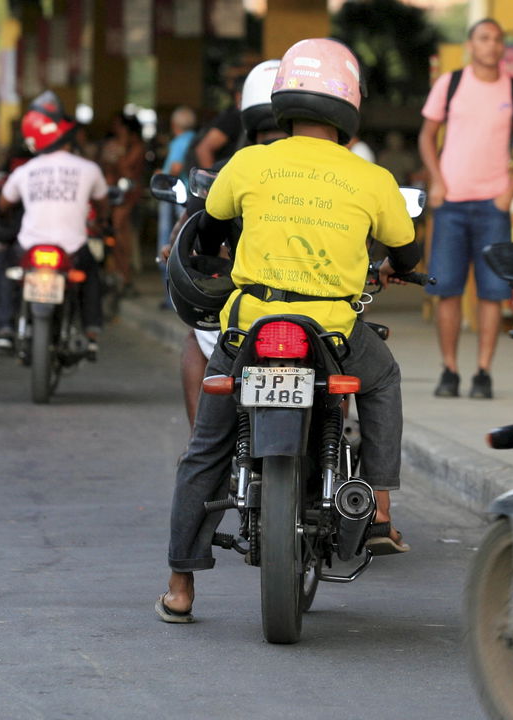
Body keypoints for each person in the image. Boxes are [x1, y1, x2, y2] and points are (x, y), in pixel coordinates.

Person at [157, 38, 423, 624]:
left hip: (251, 327)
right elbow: (408, 254)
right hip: (330, 333)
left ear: (283, 102)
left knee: (206, 448)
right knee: (382, 379)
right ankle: (377, 506)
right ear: (350, 104)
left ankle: (180, 584)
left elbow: (209, 231)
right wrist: (394, 268)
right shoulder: (372, 177)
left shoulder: (247, 163)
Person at [419, 18, 513, 399]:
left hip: (493, 206)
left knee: (492, 292)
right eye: (484, 38)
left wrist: (509, 191)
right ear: (471, 45)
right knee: (447, 289)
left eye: (497, 39)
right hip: (451, 203)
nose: (492, 45)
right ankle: (449, 370)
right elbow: (426, 135)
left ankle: (483, 372)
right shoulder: (450, 84)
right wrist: (437, 181)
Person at [169, 60, 287, 431]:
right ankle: (372, 483)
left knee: (197, 339)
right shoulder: (338, 170)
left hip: (246, 304)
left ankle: (201, 446)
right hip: (322, 308)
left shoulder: (230, 169)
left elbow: (199, 234)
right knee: (372, 372)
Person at [0, 92, 109, 356]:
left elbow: (2, 205)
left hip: (29, 246)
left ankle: (6, 330)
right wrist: (102, 222)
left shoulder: (24, 171)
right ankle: (91, 333)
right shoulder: (89, 169)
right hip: (73, 249)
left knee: (8, 269)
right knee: (90, 276)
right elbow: (103, 204)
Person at [99, 114, 146, 286]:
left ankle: (124, 274)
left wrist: (121, 149)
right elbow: (105, 166)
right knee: (111, 232)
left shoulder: (136, 147)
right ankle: (115, 272)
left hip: (128, 197)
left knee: (120, 232)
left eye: (119, 126)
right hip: (113, 194)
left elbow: (125, 168)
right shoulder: (113, 144)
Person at [156, 107, 197, 305]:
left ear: (174, 125)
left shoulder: (179, 141)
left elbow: (175, 167)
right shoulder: (197, 138)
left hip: (177, 195)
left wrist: (161, 173)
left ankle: (171, 298)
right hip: (194, 194)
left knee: (171, 242)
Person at [193, 78, 245, 169]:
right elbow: (203, 150)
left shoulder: (233, 115)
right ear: (238, 95)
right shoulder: (233, 117)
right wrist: (214, 180)